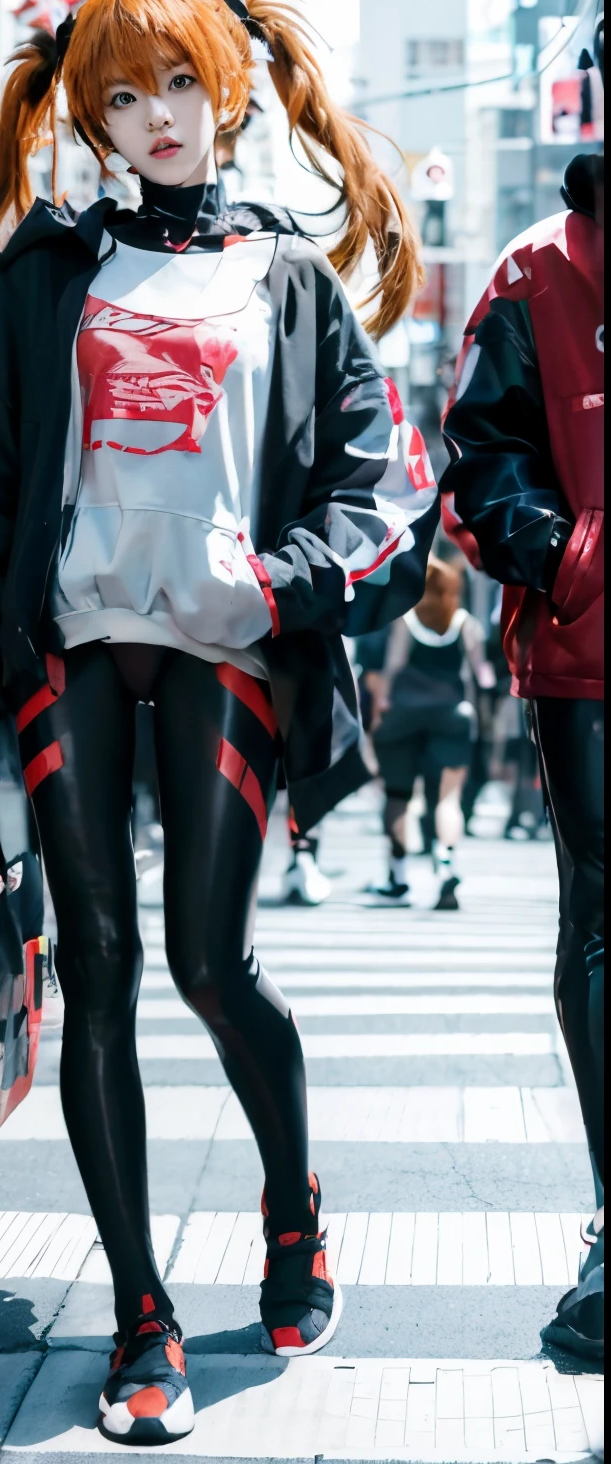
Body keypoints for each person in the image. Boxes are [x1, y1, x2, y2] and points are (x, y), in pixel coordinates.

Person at [0, 0, 440, 1444]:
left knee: (213, 966)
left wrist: (278, 585)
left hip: (229, 645)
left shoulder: (288, 275)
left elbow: (379, 491)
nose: (156, 118)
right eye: (124, 96)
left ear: (232, 97)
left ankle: (293, 1206)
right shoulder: (47, 272)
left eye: (181, 89)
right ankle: (140, 1318)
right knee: (99, 963)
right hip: (75, 642)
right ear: (90, 114)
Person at [442, 107, 603, 1360]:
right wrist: (567, 558)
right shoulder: (533, 271)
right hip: (584, 660)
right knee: (600, 930)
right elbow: (479, 458)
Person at [364, 557, 494, 910]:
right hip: (452, 715)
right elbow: (481, 675)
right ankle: (446, 862)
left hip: (403, 715)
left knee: (398, 795)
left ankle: (398, 877)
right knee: (448, 798)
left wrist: (380, 713)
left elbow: (392, 667)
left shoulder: (406, 620)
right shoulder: (464, 622)